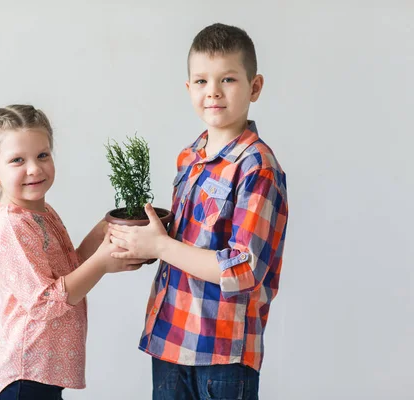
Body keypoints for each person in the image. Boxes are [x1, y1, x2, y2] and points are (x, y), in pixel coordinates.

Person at [109, 23, 289, 399]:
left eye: (228, 79)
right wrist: (147, 239)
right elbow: (186, 242)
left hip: (222, 354)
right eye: (202, 81)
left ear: (254, 87)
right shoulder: (190, 157)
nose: (214, 92)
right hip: (170, 339)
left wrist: (161, 247)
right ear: (189, 88)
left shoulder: (258, 167)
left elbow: (243, 268)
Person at [0, 104, 144, 400]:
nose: (34, 168)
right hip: (23, 375)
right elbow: (44, 303)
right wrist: (102, 263)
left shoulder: (40, 212)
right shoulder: (12, 225)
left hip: (37, 375)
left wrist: (105, 229)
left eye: (43, 155)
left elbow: (66, 272)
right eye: (17, 160)